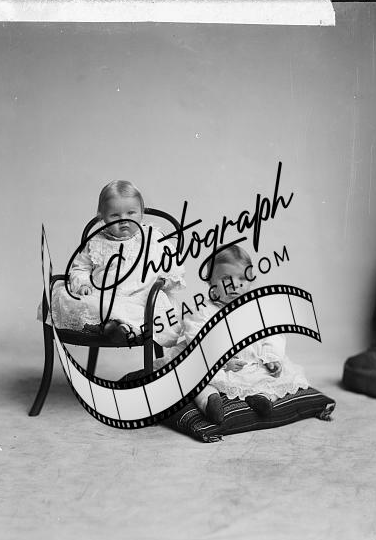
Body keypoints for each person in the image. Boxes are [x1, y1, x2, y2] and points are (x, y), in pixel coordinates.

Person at [156, 245, 309, 424]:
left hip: (250, 363)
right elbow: (197, 338)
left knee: (275, 377)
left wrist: (271, 357)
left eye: (242, 278)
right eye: (225, 279)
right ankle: (209, 401)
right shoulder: (202, 310)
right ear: (210, 282)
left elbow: (273, 335)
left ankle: (262, 397)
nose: (235, 285)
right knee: (195, 378)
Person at [40, 180, 185, 347]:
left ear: (141, 213)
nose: (123, 220)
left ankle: (120, 329)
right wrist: (83, 284)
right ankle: (106, 327)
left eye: (131, 213)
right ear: (102, 217)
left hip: (139, 297)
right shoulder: (96, 241)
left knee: (141, 309)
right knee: (64, 296)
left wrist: (165, 280)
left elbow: (173, 264)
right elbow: (81, 267)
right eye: (115, 215)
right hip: (102, 296)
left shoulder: (153, 238)